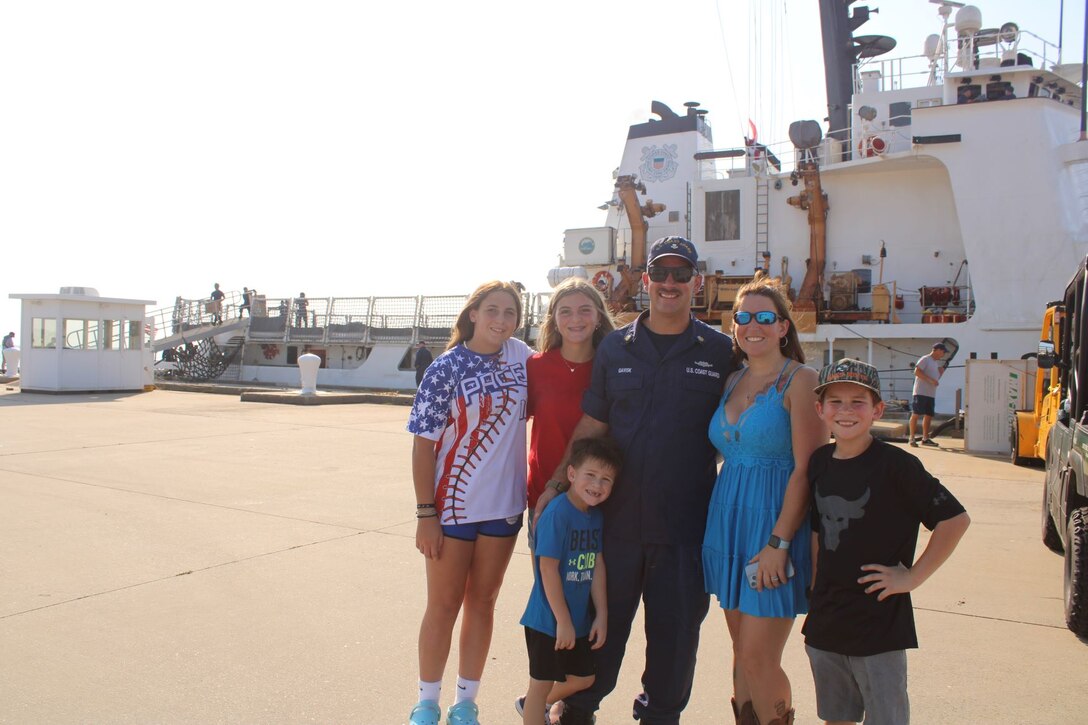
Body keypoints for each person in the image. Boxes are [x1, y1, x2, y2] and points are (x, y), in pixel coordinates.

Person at [535, 236, 735, 725]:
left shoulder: (721, 351)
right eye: (660, 274)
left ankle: (660, 717)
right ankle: (577, 711)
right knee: (597, 631)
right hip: (615, 525)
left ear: (696, 282)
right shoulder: (615, 349)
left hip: (685, 529)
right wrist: (557, 483)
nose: (670, 283)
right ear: (646, 280)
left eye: (680, 274)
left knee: (675, 640)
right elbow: (593, 426)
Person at [804, 358, 971, 724]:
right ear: (820, 409)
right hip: (827, 623)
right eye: (836, 401)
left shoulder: (897, 465)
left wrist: (911, 578)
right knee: (836, 717)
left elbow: (955, 520)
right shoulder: (818, 463)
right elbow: (818, 531)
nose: (846, 411)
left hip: (880, 626)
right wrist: (815, 590)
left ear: (877, 410)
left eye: (858, 402)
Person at [406, 281, 531, 725]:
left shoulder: (522, 357)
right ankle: (426, 702)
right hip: (452, 508)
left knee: (483, 604)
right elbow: (424, 446)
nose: (501, 319)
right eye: (492, 310)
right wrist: (426, 515)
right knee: (443, 606)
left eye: (510, 312)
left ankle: (465, 703)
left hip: (504, 508)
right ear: (473, 313)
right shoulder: (445, 368)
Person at [702, 279, 826, 725]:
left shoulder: (801, 380)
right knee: (740, 652)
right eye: (743, 317)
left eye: (764, 317)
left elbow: (806, 471)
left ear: (783, 327)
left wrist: (779, 541)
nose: (753, 325)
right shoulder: (732, 379)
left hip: (773, 527)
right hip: (728, 523)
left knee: (759, 657)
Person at [518, 437, 622, 725]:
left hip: (576, 620)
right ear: (572, 474)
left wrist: (601, 614)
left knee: (584, 678)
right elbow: (548, 569)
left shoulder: (595, 517)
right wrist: (562, 620)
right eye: (590, 475)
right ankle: (534, 706)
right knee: (540, 686)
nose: (597, 485)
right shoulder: (557, 515)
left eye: (606, 479)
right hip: (547, 620)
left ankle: (531, 705)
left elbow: (596, 564)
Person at [527, 278, 614, 512]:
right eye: (565, 311)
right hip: (544, 494)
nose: (575, 319)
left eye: (584, 310)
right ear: (554, 320)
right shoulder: (534, 367)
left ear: (598, 318)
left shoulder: (613, 368)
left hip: (597, 500)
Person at [908, 342, 947, 447]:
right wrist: (931, 381)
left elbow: (935, 379)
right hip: (920, 392)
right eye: (943, 352)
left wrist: (940, 373)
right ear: (937, 350)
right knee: (916, 414)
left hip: (930, 394)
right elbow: (917, 372)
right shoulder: (925, 359)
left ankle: (925, 438)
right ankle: (911, 438)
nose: (943, 354)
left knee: (929, 415)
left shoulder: (935, 363)